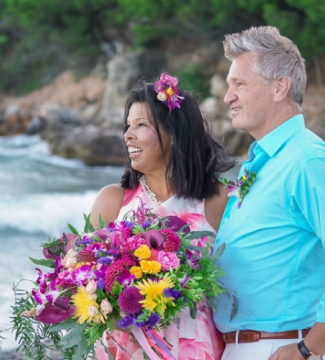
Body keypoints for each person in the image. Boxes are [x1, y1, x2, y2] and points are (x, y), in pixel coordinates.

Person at [213, 26, 325, 360]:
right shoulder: (259, 165)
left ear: (279, 88)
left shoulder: (308, 160)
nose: (228, 97)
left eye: (239, 84)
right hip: (240, 347)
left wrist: (307, 350)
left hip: (277, 348)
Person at [90, 73, 235, 359]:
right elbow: (84, 284)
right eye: (128, 125)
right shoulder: (113, 201)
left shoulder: (217, 200)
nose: (128, 134)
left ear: (174, 133)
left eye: (141, 124)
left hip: (193, 344)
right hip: (125, 347)